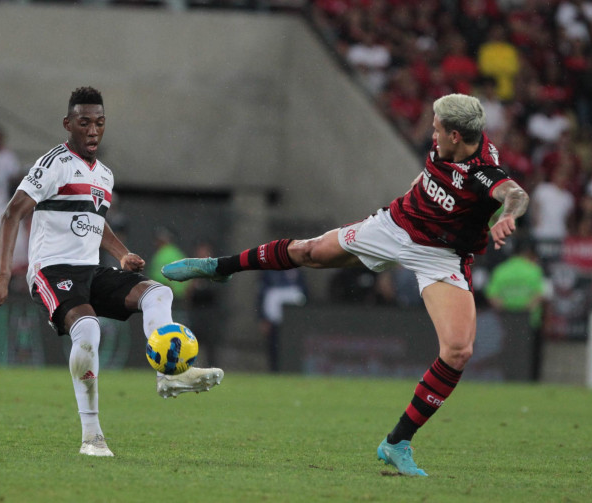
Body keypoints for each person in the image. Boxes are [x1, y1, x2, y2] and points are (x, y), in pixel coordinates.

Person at [162, 94, 529, 476]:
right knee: (310, 251)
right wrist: (420, 187)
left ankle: (397, 443)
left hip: (440, 256)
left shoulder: (484, 170)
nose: (431, 135)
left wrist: (509, 216)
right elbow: (434, 177)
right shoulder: (446, 145)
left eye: (437, 130)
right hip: (396, 226)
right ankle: (219, 267)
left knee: (458, 350)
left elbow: (514, 194)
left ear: (456, 135)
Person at [0, 87, 223, 458]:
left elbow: (97, 222)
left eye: (99, 123)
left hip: (90, 270)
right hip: (51, 270)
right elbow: (12, 212)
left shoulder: (105, 176)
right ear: (68, 125)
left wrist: (123, 254)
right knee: (89, 329)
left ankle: (170, 375)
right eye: (84, 123)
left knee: (158, 293)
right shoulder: (52, 165)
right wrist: (2, 273)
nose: (93, 130)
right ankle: (92, 437)